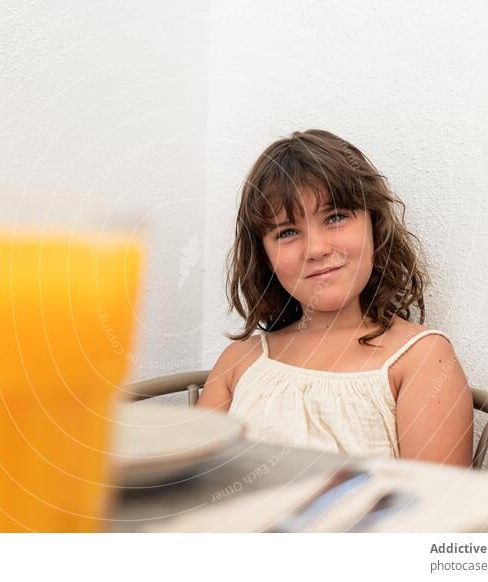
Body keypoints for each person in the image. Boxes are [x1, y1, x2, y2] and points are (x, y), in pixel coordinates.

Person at [197, 129, 473, 466]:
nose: (316, 249)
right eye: (286, 232)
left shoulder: (421, 358)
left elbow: (436, 508)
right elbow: (193, 489)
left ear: (374, 225)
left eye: (336, 217)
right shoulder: (239, 362)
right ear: (263, 256)